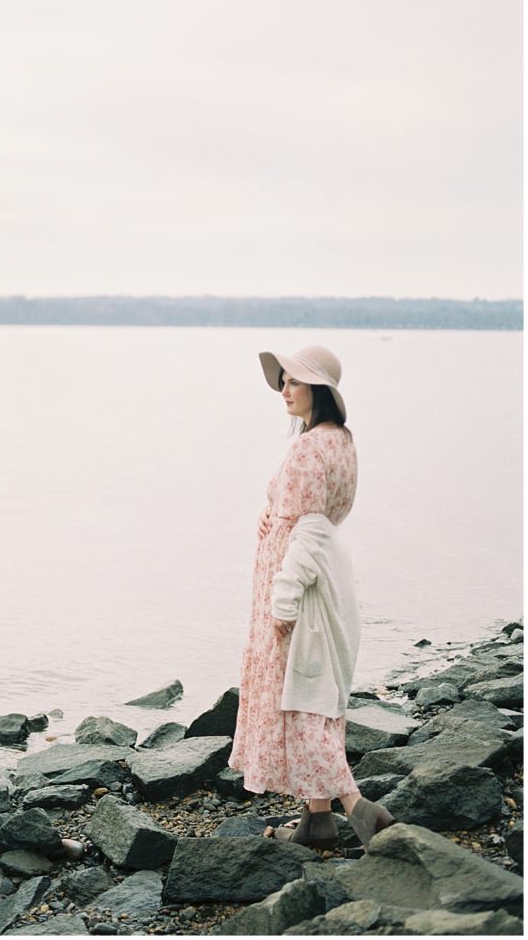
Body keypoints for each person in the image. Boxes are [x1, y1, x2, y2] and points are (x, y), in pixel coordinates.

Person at [228, 344, 395, 849]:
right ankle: (317, 820)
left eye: (294, 382)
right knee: (312, 693)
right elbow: (316, 515)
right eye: (283, 381)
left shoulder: (306, 448)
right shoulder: (340, 441)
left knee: (299, 699)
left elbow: (309, 529)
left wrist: (283, 601)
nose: (284, 390)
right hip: (322, 580)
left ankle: (356, 807)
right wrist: (269, 511)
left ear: (318, 389)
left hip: (299, 586)